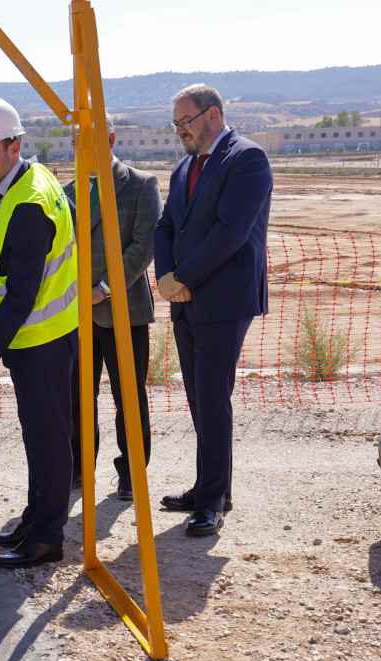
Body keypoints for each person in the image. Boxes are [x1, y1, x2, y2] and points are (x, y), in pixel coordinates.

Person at [0, 98, 78, 570]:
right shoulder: (17, 183)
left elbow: (21, 299)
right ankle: (35, 517)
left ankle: (48, 538)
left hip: (42, 338)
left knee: (48, 439)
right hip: (32, 338)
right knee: (37, 436)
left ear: (14, 144)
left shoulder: (29, 201)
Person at [155, 84, 271, 537]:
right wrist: (166, 278)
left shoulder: (247, 160)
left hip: (223, 299)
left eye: (186, 121)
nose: (181, 131)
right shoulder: (185, 168)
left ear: (214, 115)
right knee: (198, 397)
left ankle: (211, 501)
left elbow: (231, 233)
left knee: (212, 397)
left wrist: (183, 278)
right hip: (184, 298)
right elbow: (166, 226)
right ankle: (212, 488)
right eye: (176, 124)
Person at [65, 120, 161, 502]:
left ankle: (132, 472)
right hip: (77, 315)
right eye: (77, 143)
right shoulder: (67, 193)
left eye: (90, 141)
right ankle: (78, 467)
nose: (83, 149)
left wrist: (102, 289)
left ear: (110, 139)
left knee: (129, 398)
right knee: (77, 397)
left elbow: (144, 244)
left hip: (125, 310)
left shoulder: (140, 185)